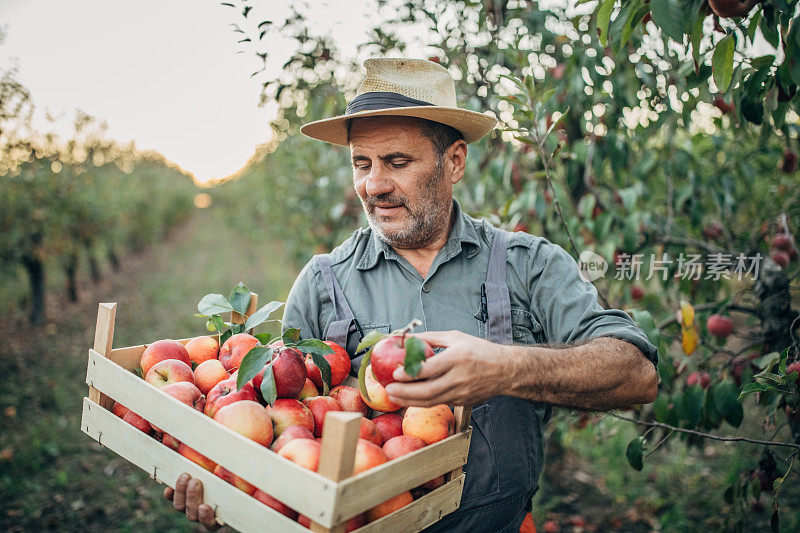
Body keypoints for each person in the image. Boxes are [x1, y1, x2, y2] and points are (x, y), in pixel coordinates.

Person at [166, 58, 658, 532]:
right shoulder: (322, 282)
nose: (373, 186)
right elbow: (282, 446)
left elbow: (637, 374)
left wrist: (505, 367)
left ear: (455, 162)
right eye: (362, 164)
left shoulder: (528, 265)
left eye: (397, 162)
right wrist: (231, 499)